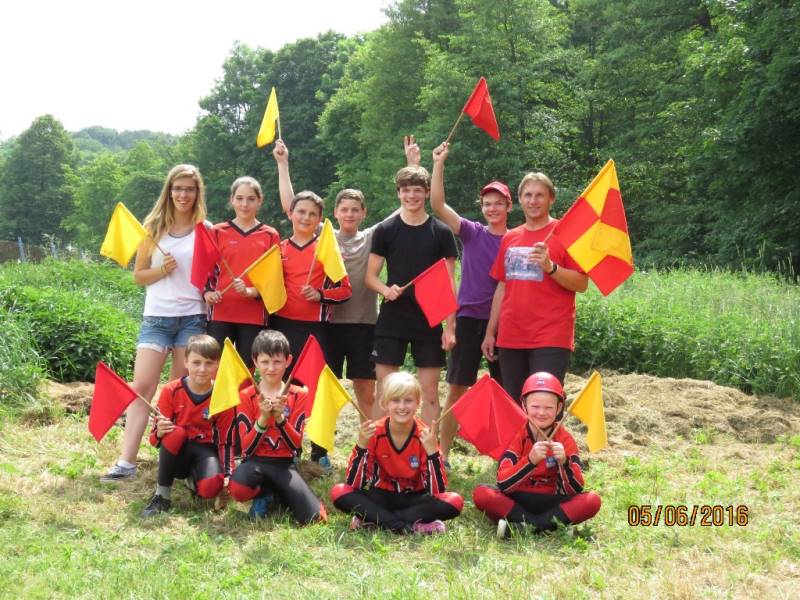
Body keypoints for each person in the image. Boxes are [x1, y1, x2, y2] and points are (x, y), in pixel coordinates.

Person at [273, 140, 402, 422]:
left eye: (355, 209)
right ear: (335, 213)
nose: (350, 214)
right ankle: (322, 436)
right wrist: (283, 163)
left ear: (363, 213)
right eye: (344, 209)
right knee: (323, 389)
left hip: (363, 323)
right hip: (328, 326)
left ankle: (368, 438)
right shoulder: (323, 234)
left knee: (365, 390)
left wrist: (412, 167)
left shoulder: (372, 236)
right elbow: (292, 206)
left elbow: (402, 212)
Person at [101, 164, 209, 482]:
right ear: (169, 191)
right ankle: (126, 461)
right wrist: (162, 270)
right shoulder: (152, 228)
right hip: (157, 318)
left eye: (189, 189)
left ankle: (175, 461)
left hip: (192, 316)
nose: (183, 194)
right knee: (142, 387)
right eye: (178, 188)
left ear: (197, 193)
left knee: (180, 392)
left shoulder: (205, 229)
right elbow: (139, 276)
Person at [426, 137, 511, 464]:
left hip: (504, 322)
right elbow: (438, 205)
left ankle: (508, 455)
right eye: (487, 203)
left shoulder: (517, 239)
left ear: (509, 207)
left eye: (498, 203)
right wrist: (438, 164)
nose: (492, 208)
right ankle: (443, 453)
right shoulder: (473, 232)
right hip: (469, 319)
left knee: (505, 393)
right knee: (457, 389)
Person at [270, 146, 353, 469]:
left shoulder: (326, 249)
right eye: (300, 212)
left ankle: (319, 449)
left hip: (316, 330)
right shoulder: (278, 249)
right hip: (281, 326)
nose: (305, 218)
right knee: (285, 388)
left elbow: (345, 290)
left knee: (317, 390)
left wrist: (320, 294)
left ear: (319, 220)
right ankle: (288, 445)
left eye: (312, 214)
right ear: (291, 214)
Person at [481, 172, 589, 402]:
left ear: (551, 198)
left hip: (550, 336)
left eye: (539, 195)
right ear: (520, 199)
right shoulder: (510, 238)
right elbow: (502, 286)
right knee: (514, 404)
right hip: (510, 336)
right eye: (528, 195)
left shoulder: (565, 234)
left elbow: (582, 283)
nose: (533, 201)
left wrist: (551, 267)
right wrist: (490, 332)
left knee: (543, 403)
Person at [365, 161, 458, 425]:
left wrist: (450, 327)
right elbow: (370, 277)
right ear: (398, 193)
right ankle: (378, 446)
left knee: (429, 392)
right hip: (392, 317)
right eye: (406, 190)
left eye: (417, 190)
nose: (411, 195)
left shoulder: (441, 232)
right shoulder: (385, 230)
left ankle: (429, 447)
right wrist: (386, 289)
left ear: (427, 192)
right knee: (384, 391)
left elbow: (450, 283)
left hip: (429, 317)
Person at [330, 372, 463, 534]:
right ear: (385, 403)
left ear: (418, 402)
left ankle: (377, 520)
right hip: (381, 497)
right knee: (339, 491)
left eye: (408, 400)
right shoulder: (374, 433)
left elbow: (437, 491)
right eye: (395, 400)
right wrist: (362, 445)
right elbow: (354, 483)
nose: (402, 406)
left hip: (415, 499)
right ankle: (406, 526)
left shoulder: (425, 436)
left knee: (455, 501)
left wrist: (432, 453)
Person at [472, 372, 601, 538]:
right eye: (535, 407)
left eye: (549, 408)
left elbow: (575, 489)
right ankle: (547, 527)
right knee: (482, 494)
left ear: (559, 408)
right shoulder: (516, 435)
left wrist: (564, 462)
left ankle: (524, 527)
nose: (541, 412)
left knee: (592, 500)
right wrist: (530, 461)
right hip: (517, 500)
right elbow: (504, 484)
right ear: (524, 405)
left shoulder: (565, 439)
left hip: (552, 501)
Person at [227, 329, 327, 524]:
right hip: (255, 463)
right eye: (265, 362)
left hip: (285, 465)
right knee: (238, 489)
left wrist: (280, 419)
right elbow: (246, 447)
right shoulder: (246, 395)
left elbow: (295, 444)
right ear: (255, 361)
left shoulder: (298, 394)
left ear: (288, 361)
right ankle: (264, 494)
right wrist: (263, 418)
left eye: (277, 361)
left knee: (316, 518)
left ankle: (278, 494)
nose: (271, 368)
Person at [141, 335, 235, 516]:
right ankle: (162, 495)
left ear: (217, 364)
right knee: (175, 432)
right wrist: (160, 432)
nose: (202, 369)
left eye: (209, 363)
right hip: (178, 453)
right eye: (196, 362)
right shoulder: (171, 390)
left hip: (205, 451)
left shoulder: (223, 396)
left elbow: (226, 441)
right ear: (186, 362)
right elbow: (154, 440)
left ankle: (194, 481)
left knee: (210, 489)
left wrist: (228, 475)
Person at [204, 176, 280, 369]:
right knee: (217, 370)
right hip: (220, 312)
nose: (245, 204)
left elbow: (273, 279)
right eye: (239, 198)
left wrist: (250, 292)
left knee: (247, 372)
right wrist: (207, 292)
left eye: (251, 199)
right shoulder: (217, 231)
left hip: (254, 316)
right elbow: (206, 269)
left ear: (260, 201)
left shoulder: (270, 235)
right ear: (232, 200)